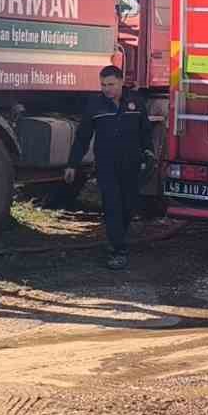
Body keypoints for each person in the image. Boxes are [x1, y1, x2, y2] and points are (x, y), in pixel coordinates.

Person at [65, 65, 149, 270]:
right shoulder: (95, 105)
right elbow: (83, 137)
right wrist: (72, 164)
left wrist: (149, 153)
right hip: (106, 165)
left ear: (121, 82)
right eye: (103, 85)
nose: (106, 89)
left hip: (131, 163)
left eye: (110, 84)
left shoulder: (136, 102)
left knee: (128, 206)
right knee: (112, 205)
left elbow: (145, 131)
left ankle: (118, 238)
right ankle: (117, 250)